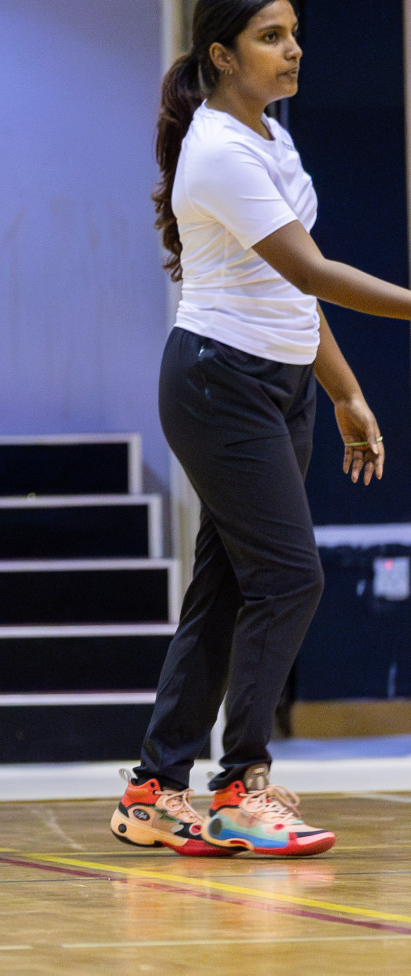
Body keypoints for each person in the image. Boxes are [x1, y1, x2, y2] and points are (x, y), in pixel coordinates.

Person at [111, 0, 400, 858]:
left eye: (295, 34)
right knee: (292, 576)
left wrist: (344, 393)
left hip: (280, 384)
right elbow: (312, 269)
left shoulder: (271, 138)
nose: (293, 50)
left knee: (231, 589)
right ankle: (240, 786)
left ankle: (154, 791)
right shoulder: (219, 149)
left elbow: (290, 295)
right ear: (222, 54)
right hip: (219, 382)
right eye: (271, 37)